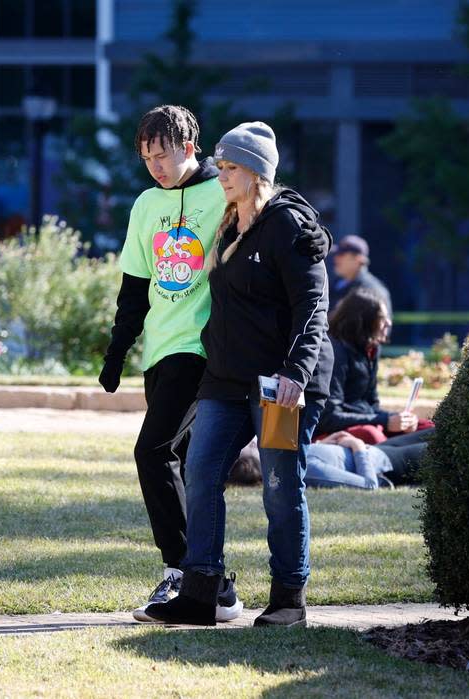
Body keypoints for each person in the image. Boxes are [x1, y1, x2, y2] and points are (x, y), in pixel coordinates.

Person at [143, 121, 333, 628]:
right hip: (227, 380)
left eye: (230, 168)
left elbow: (312, 306)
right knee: (200, 471)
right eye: (221, 166)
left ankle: (289, 598)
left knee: (278, 481)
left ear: (257, 172)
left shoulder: (289, 225)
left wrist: (296, 372)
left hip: (284, 386)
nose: (221, 176)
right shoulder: (229, 223)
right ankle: (201, 592)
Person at [98, 105, 242, 623]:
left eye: (163, 154)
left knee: (151, 452)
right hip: (158, 351)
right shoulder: (144, 205)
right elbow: (134, 287)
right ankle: (216, 586)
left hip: (201, 350)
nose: (156, 166)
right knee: (182, 464)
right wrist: (118, 351)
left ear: (190, 146)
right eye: (146, 158)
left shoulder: (222, 191)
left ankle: (185, 574)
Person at [316, 288, 432, 444]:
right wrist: (385, 421)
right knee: (373, 436)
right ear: (363, 321)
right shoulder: (335, 351)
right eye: (382, 319)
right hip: (330, 432)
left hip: (363, 421)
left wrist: (398, 420)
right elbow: (329, 417)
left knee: (427, 427)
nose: (388, 323)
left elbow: (372, 404)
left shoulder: (371, 349)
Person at [230, 431, 433, 490]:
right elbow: (369, 485)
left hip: (382, 450)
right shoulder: (305, 471)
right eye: (251, 446)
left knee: (437, 428)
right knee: (446, 441)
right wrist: (357, 447)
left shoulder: (288, 460)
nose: (254, 441)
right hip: (389, 465)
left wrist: (325, 444)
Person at [328, 234, 392, 328]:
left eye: (341, 254)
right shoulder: (335, 284)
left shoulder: (372, 290)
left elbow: (380, 329)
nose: (336, 258)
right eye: (336, 254)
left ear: (358, 259)